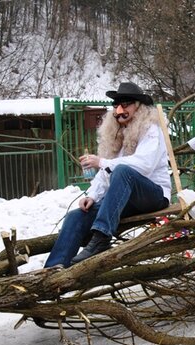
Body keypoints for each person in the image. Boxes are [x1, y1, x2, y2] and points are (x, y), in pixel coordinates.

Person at [44, 82, 171, 267]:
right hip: (124, 199)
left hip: (154, 196)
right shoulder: (119, 133)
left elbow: (144, 165)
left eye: (125, 104)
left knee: (122, 171)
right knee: (76, 216)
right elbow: (106, 173)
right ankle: (53, 270)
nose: (119, 110)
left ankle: (101, 238)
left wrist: (102, 162)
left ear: (139, 107)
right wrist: (92, 195)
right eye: (116, 106)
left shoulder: (151, 129)